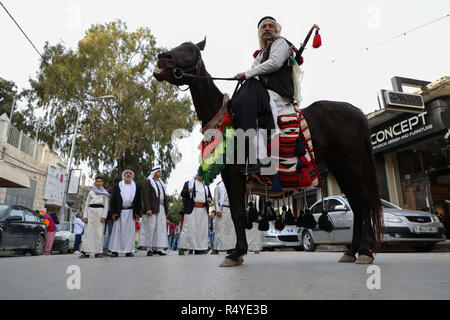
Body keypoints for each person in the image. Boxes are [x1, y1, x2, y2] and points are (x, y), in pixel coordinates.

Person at [234, 16, 303, 172]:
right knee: (244, 98)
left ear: (276, 29)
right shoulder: (260, 54)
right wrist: (245, 78)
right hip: (264, 93)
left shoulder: (281, 43)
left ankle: (262, 158)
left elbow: (274, 63)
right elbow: (253, 74)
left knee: (254, 103)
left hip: (279, 93)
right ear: (260, 33)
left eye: (270, 26)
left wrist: (246, 74)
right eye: (263, 26)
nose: (267, 28)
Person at [109, 169, 142, 257]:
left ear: (132, 175)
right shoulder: (118, 186)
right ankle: (115, 251)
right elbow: (113, 200)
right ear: (123, 175)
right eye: (126, 173)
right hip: (119, 212)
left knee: (130, 233)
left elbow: (138, 200)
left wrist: (137, 213)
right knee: (117, 232)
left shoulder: (137, 186)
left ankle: (129, 251)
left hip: (131, 212)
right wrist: (113, 212)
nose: (128, 175)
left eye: (130, 173)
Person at [139, 167, 169, 256]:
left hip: (161, 207)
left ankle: (158, 248)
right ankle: (149, 248)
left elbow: (164, 196)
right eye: (158, 171)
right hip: (152, 208)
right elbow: (145, 195)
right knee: (151, 227)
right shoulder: (148, 181)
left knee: (160, 228)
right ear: (154, 172)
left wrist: (166, 210)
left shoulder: (161, 183)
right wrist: (148, 208)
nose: (160, 173)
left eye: (160, 171)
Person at [178, 175, 212, 255]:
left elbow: (209, 196)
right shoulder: (188, 183)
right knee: (188, 228)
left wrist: (209, 199)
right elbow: (182, 193)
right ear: (197, 175)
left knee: (200, 230)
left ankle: (199, 248)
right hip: (192, 209)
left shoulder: (206, 185)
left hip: (203, 210)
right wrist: (189, 191)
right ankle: (183, 247)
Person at [80, 176, 110, 258]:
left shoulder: (105, 193)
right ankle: (85, 252)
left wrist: (104, 216)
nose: (98, 183)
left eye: (100, 181)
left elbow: (106, 206)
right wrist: (85, 216)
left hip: (100, 212)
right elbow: (86, 204)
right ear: (95, 182)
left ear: (102, 183)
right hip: (91, 212)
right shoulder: (91, 192)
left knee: (99, 232)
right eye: (97, 181)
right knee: (88, 232)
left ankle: (98, 252)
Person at [213, 181, 236, 254]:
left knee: (230, 231)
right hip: (222, 209)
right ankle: (216, 248)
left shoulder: (232, 185)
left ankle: (230, 248)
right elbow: (216, 200)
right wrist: (218, 210)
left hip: (231, 209)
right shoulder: (218, 186)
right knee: (220, 230)